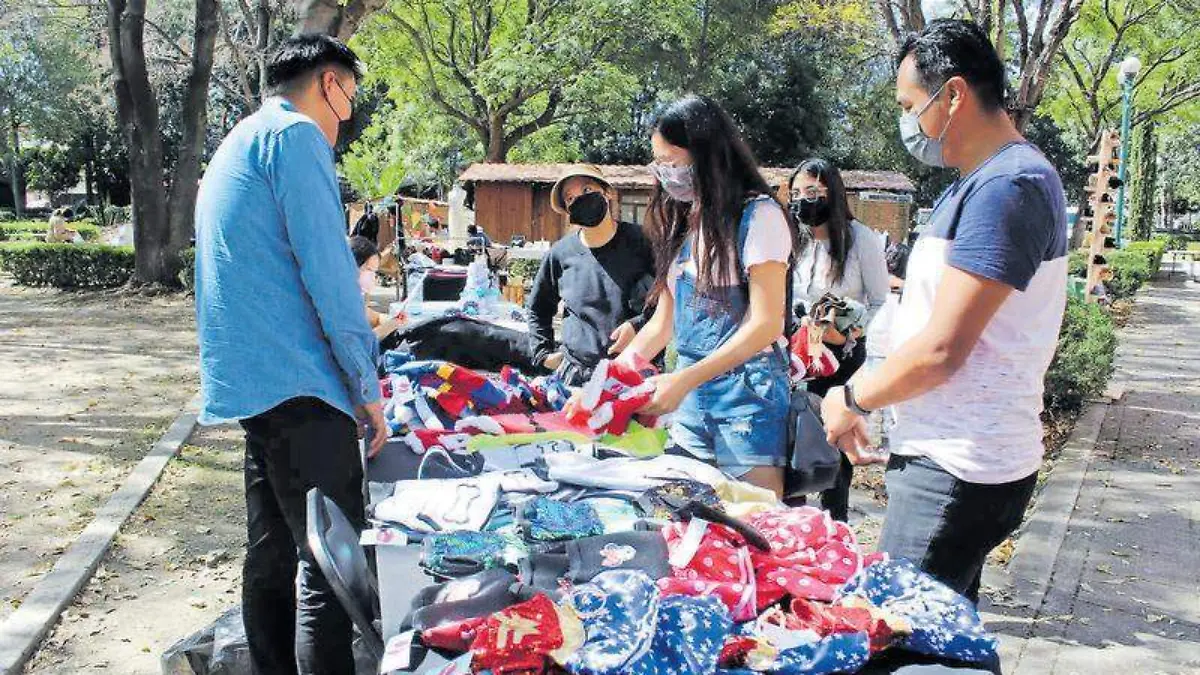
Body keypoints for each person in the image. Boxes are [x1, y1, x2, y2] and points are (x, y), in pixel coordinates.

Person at [821, 19, 1068, 606]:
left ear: (953, 95)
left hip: (958, 468)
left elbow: (942, 350)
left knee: (896, 632)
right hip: (947, 459)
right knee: (943, 639)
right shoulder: (977, 183)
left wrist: (851, 398)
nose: (909, 123)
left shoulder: (1009, 186)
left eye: (911, 106)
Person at [193, 34, 385, 675]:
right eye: (349, 97)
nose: (347, 118)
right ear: (329, 84)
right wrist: (365, 386)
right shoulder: (297, 137)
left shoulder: (240, 138)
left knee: (272, 551)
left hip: (254, 382)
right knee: (328, 564)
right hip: (301, 382)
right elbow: (330, 274)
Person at [619, 96, 797, 497]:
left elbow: (766, 324)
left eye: (671, 162)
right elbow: (663, 323)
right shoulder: (685, 220)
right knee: (690, 514)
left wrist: (684, 380)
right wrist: (611, 379)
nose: (666, 174)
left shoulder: (760, 217)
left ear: (706, 154)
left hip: (746, 402)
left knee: (754, 515)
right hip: (690, 399)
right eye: (659, 164)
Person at [788, 158, 889, 521]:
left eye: (812, 191)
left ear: (832, 193)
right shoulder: (794, 240)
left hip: (841, 356)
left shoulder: (860, 238)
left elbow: (880, 302)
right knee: (793, 435)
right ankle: (794, 522)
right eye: (796, 193)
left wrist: (850, 332)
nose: (803, 200)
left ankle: (836, 523)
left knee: (834, 440)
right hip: (799, 351)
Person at [526, 165, 656, 386]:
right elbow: (538, 308)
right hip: (576, 376)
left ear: (608, 193)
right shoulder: (560, 254)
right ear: (568, 211)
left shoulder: (644, 242)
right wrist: (543, 352)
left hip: (634, 373)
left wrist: (639, 325)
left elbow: (669, 299)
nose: (580, 200)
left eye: (587, 190)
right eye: (570, 198)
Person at [350, 235, 405, 340]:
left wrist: (396, 319)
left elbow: (375, 318)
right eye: (369, 270)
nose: (373, 277)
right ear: (352, 265)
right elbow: (359, 343)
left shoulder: (354, 299)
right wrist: (392, 324)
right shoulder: (336, 302)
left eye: (374, 272)